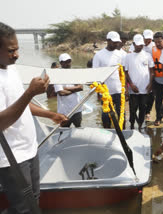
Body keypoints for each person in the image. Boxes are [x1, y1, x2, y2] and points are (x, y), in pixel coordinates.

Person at [0, 22, 67, 214]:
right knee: (25, 209)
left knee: (33, 200)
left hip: (29, 149)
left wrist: (50, 114)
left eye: (18, 49)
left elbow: (19, 103)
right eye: (11, 50)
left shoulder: (10, 69)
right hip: (11, 157)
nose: (17, 55)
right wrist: (30, 92)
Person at [93, 31, 123, 129]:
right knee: (106, 115)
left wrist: (125, 90)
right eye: (113, 42)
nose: (116, 44)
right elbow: (95, 75)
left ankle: (120, 131)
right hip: (105, 92)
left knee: (120, 113)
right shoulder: (99, 55)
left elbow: (123, 73)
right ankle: (107, 130)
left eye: (117, 42)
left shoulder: (120, 55)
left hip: (118, 90)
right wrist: (98, 92)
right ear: (107, 41)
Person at [125, 34, 154, 131]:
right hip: (134, 89)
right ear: (133, 44)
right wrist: (131, 85)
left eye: (141, 45)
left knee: (143, 108)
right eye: (137, 45)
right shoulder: (128, 57)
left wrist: (150, 84)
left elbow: (151, 71)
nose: (140, 46)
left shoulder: (147, 55)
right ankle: (132, 126)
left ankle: (141, 126)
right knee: (133, 109)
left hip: (145, 88)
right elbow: (125, 72)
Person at [54, 53, 83, 128]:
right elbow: (61, 93)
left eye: (69, 61)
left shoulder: (74, 73)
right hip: (64, 112)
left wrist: (66, 88)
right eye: (65, 62)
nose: (68, 64)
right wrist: (75, 89)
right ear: (61, 63)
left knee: (78, 128)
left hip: (77, 109)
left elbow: (81, 87)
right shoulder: (56, 75)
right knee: (63, 131)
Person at [151, 32, 163, 126]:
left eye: (160, 42)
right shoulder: (152, 50)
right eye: (156, 42)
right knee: (158, 99)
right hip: (157, 79)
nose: (158, 44)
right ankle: (158, 117)